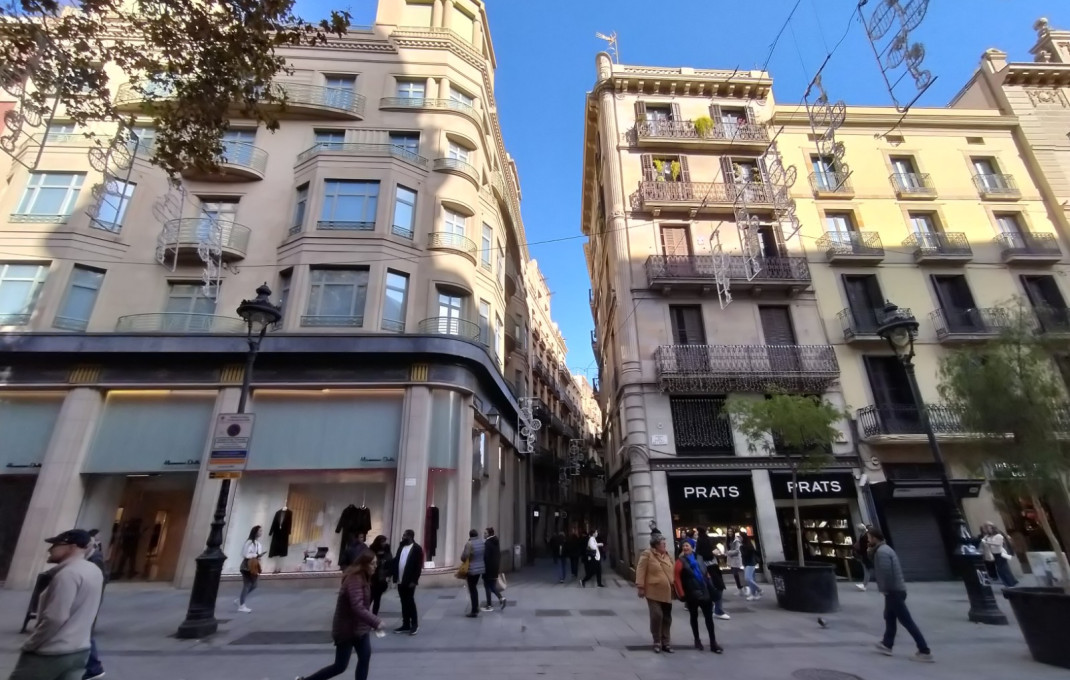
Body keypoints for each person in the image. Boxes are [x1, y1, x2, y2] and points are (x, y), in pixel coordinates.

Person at [10, 529, 104, 680]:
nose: (50, 549)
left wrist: (32, 644)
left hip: (51, 652)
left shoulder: (67, 575)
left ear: (71, 547)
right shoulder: (93, 571)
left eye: (55, 544)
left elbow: (55, 617)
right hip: (80, 650)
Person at [295, 550, 385, 680]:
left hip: (360, 629)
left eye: (376, 563)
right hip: (346, 629)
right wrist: (375, 621)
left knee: (365, 658)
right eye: (372, 564)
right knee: (340, 666)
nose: (375, 566)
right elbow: (357, 606)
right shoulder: (354, 580)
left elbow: (363, 606)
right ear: (363, 564)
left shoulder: (364, 577)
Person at [869, 528, 934, 663]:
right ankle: (887, 644)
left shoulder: (882, 552)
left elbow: (886, 572)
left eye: (869, 537)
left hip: (893, 591)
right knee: (889, 617)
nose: (868, 540)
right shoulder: (884, 549)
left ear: (875, 538)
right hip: (895, 590)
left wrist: (885, 588)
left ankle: (924, 650)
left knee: (906, 621)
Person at [674, 541, 724, 653]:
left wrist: (709, 583)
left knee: (709, 618)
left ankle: (713, 642)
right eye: (683, 546)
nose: (685, 547)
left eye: (687, 545)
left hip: (704, 591)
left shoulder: (699, 558)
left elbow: (705, 573)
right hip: (691, 593)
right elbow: (676, 578)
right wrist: (681, 594)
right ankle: (697, 639)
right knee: (694, 616)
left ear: (692, 547)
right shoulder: (680, 561)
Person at [635, 533, 675, 654]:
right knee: (657, 615)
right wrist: (640, 586)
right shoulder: (647, 554)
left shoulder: (668, 555)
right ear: (656, 545)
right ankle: (656, 640)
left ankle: (666, 642)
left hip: (668, 591)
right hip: (653, 591)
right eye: (663, 543)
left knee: (667, 618)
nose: (665, 545)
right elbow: (641, 569)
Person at [82, 535, 109, 680]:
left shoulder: (95, 558)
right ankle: (92, 667)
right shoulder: (93, 558)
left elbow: (98, 578)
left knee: (86, 631)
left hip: (89, 598)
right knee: (85, 631)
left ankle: (93, 667)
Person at [391, 529, 423, 635]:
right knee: (403, 602)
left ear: (410, 536)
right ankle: (405, 624)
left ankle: (414, 624)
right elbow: (397, 561)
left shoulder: (417, 548)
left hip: (410, 581)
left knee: (410, 602)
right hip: (400, 580)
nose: (403, 537)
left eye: (405, 535)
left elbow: (418, 566)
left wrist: (414, 580)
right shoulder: (401, 547)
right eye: (403, 535)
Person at [694, 530, 730, 620]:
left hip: (712, 571)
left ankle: (716, 609)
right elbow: (702, 564)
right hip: (710, 572)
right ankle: (718, 611)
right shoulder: (703, 552)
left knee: (715, 590)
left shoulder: (702, 550)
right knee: (717, 589)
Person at [979, 521, 1018, 587]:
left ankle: (1010, 583)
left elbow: (999, 543)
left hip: (1001, 552)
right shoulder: (989, 535)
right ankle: (1010, 582)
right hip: (996, 553)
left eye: (986, 528)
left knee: (1003, 568)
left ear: (991, 527)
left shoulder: (998, 534)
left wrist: (988, 542)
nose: (985, 530)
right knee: (1002, 569)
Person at [237, 525, 264, 613]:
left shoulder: (258, 543)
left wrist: (259, 558)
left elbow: (257, 555)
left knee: (254, 585)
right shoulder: (249, 542)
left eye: (261, 531)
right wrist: (256, 555)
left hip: (254, 565)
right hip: (247, 566)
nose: (261, 533)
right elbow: (245, 554)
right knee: (247, 584)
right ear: (255, 532)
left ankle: (240, 600)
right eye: (259, 531)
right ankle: (241, 605)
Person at [460, 530, 486, 618]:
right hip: (480, 569)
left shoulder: (469, 544)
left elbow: (464, 556)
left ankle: (474, 610)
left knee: (472, 589)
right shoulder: (482, 542)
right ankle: (476, 607)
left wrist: (463, 558)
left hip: (471, 569)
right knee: (474, 588)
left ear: (470, 535)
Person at [368, 535, 393, 616]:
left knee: (377, 599)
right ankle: (365, 615)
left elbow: (390, 561)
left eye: (384, 541)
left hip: (382, 578)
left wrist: (388, 575)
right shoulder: (372, 549)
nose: (384, 543)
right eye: (382, 541)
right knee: (370, 597)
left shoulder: (387, 550)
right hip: (373, 577)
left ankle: (374, 615)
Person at [482, 527, 506, 611]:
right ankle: (501, 598)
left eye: (485, 533)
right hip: (495, 567)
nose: (484, 535)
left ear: (489, 534)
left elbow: (486, 557)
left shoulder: (487, 543)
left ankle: (489, 605)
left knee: (487, 586)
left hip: (488, 568)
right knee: (492, 585)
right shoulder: (496, 541)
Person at [739, 530, 762, 601]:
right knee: (751, 579)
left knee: (748, 578)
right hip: (748, 563)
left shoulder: (745, 546)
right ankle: (753, 594)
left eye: (740, 537)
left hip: (750, 563)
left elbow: (745, 554)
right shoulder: (747, 544)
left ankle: (759, 590)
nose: (739, 539)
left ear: (743, 537)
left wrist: (741, 548)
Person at [854, 524, 874, 591]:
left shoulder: (866, 535)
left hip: (867, 555)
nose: (858, 530)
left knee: (867, 570)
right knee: (867, 569)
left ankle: (864, 585)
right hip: (864, 555)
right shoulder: (863, 535)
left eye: (859, 529)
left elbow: (869, 545)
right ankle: (864, 584)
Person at [725, 529, 745, 596]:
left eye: (731, 532)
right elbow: (727, 550)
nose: (729, 533)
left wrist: (728, 553)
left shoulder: (736, 540)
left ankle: (744, 588)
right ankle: (740, 589)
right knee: (735, 575)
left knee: (739, 575)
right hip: (731, 560)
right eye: (728, 532)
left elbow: (737, 551)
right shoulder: (728, 540)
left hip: (736, 560)